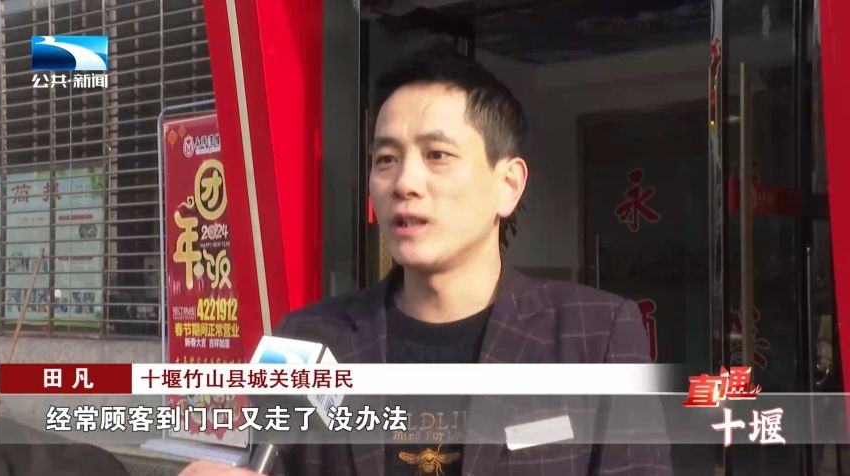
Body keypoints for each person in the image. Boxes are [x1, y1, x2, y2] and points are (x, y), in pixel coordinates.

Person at [180, 47, 672, 476]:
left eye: (437, 154)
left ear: (509, 185)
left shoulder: (596, 336)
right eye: (386, 159)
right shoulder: (305, 342)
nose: (405, 183)